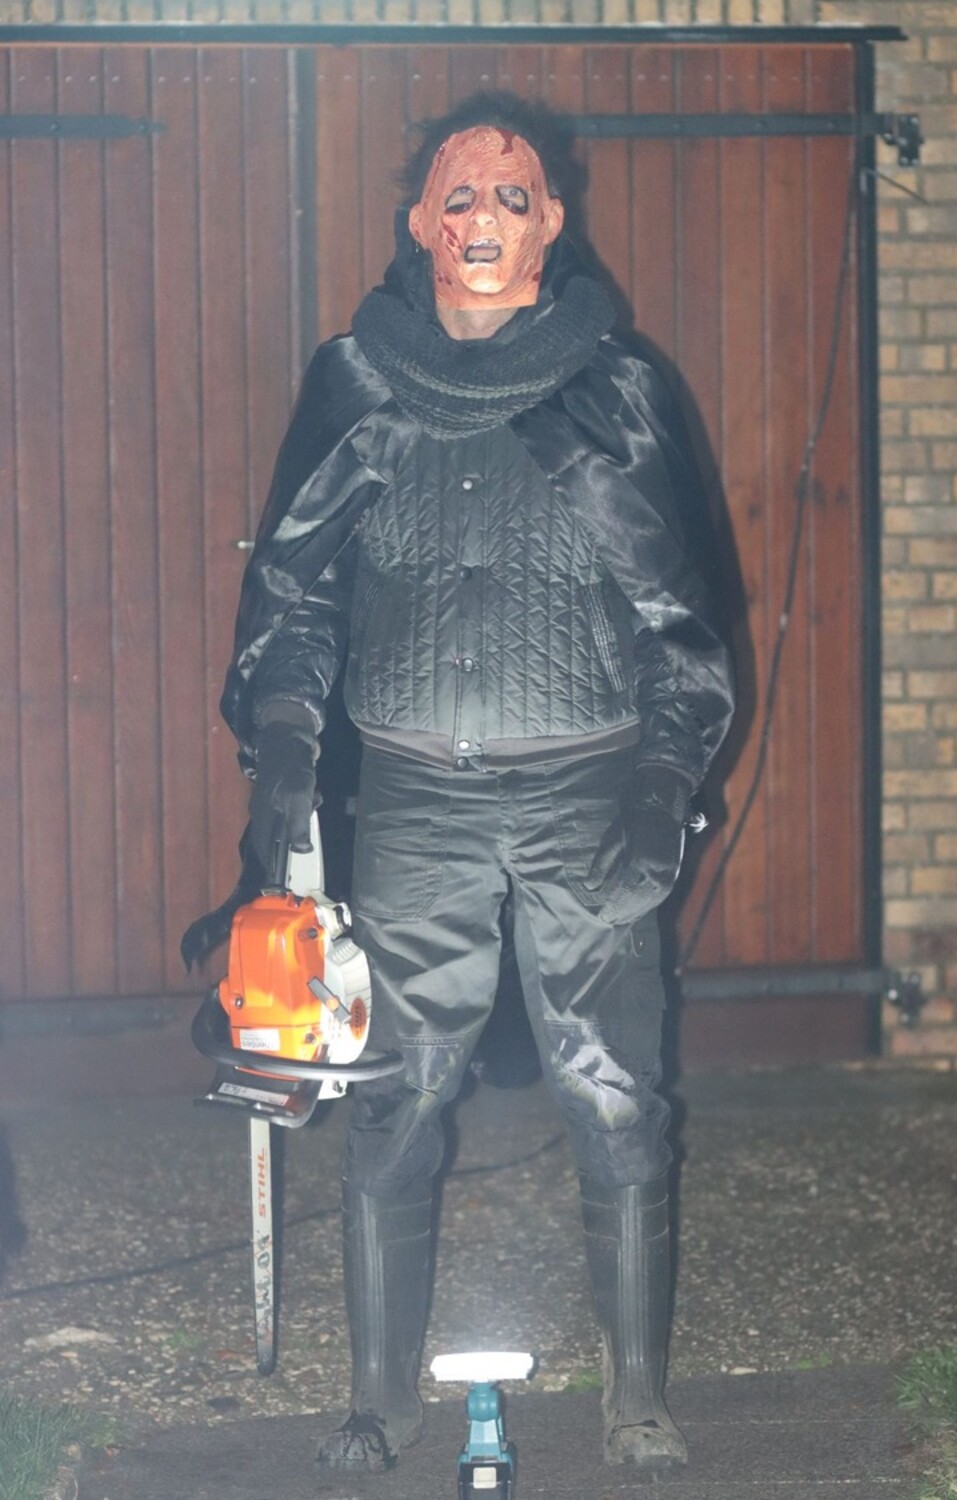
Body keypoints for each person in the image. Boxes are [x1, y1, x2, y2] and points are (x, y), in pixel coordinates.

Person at [220, 91, 734, 1474]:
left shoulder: (618, 391)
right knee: (394, 1092)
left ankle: (637, 1396)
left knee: (614, 1092)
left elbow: (683, 619)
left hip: (586, 793)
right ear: (418, 223)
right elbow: (301, 588)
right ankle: (381, 1399)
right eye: (460, 197)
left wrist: (664, 781)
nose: (486, 220)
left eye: (513, 196)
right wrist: (284, 733)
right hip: (415, 806)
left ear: (552, 220)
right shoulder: (358, 383)